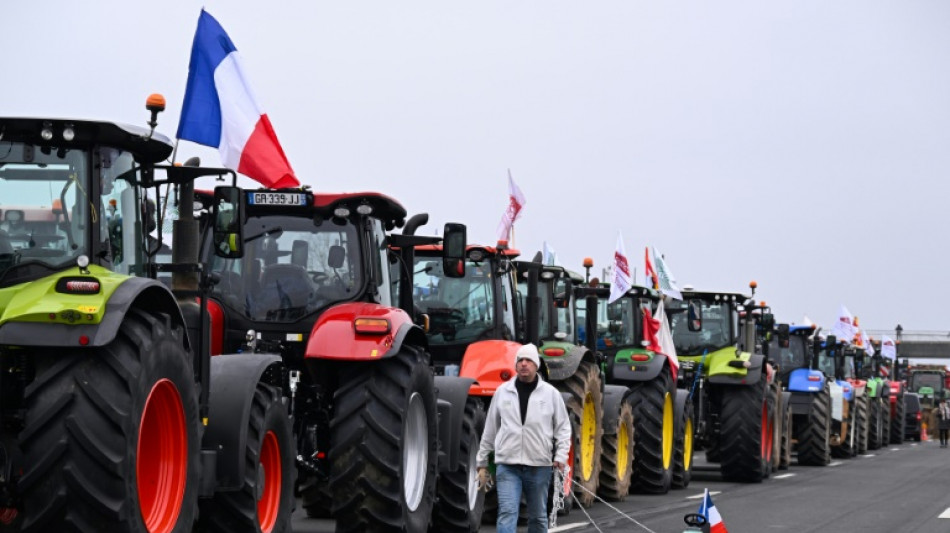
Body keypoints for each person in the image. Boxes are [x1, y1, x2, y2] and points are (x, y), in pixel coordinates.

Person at [476, 343, 572, 533]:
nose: (524, 364)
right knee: (507, 513)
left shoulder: (551, 394)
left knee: (537, 518)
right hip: (508, 465)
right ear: (515, 365)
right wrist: (482, 460)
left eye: (528, 360)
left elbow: (563, 428)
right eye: (520, 360)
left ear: (536, 364)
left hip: (539, 466)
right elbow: (490, 429)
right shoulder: (502, 392)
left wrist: (561, 456)